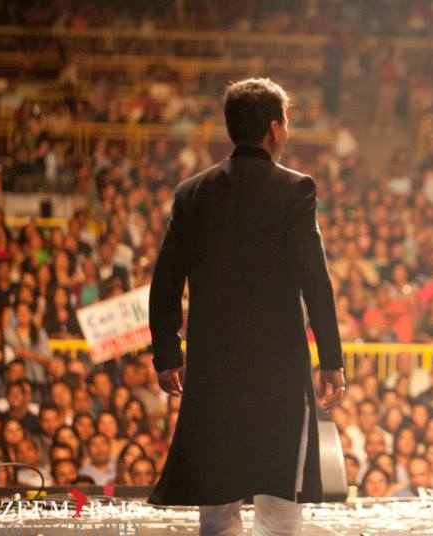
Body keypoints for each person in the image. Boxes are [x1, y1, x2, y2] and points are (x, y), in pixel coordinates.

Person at [147, 77, 346, 536]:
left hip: (213, 364)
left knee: (217, 502)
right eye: (287, 122)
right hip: (279, 365)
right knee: (280, 501)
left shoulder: (192, 192)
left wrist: (167, 353)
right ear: (274, 128)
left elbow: (165, 281)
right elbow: (315, 282)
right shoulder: (295, 189)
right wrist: (332, 360)